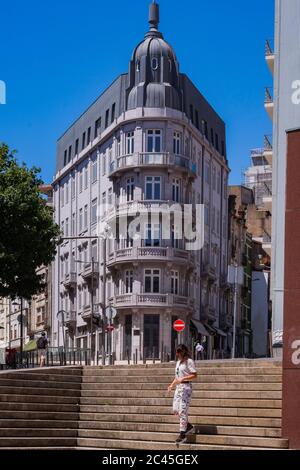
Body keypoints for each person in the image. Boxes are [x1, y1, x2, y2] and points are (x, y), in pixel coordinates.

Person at [167, 344, 197, 444]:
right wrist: (171, 385)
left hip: (186, 388)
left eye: (179, 351)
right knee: (176, 409)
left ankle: (182, 434)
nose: (177, 354)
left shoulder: (189, 362)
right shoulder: (178, 363)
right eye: (176, 351)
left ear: (184, 351)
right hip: (178, 388)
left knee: (183, 410)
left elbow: (194, 375)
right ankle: (188, 426)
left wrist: (183, 378)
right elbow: (177, 377)